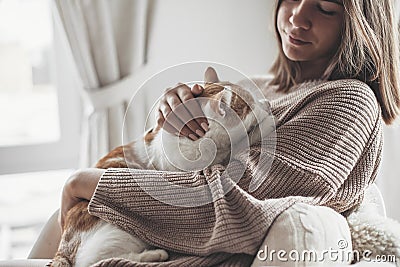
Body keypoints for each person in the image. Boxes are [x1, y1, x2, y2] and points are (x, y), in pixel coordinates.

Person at [29, 0, 399, 266]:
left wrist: (88, 183)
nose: (298, 17)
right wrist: (167, 123)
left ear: (360, 23)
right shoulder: (256, 87)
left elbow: (233, 201)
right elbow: (171, 167)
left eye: (326, 8)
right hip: (106, 231)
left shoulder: (349, 100)